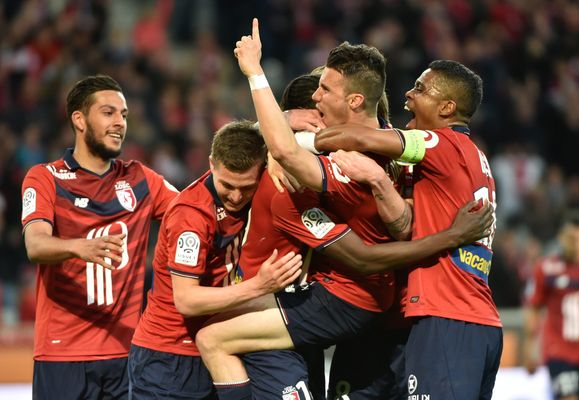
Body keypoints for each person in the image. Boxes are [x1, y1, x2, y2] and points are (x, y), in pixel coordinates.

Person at [194, 19, 494, 400]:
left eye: (325, 90)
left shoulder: (368, 163)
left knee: (213, 337)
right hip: (383, 313)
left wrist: (262, 87)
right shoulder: (370, 158)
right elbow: (395, 229)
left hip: (388, 311)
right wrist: (280, 136)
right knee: (216, 329)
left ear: (351, 101)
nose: (318, 98)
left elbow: (383, 241)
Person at [315, 59, 502, 399]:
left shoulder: (440, 144)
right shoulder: (468, 159)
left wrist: (305, 140)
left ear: (447, 107)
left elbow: (352, 136)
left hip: (446, 315)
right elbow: (406, 227)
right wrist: (378, 181)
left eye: (420, 88)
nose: (408, 94)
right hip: (470, 318)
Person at [21, 74, 179, 400]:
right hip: (62, 354)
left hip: (126, 353)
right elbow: (35, 245)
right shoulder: (45, 178)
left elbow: (190, 209)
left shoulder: (140, 179)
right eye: (108, 113)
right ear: (79, 119)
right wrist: (80, 247)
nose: (120, 123)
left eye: (124, 115)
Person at [128, 120, 305, 400]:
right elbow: (186, 301)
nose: (236, 196)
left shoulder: (252, 187)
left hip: (213, 347)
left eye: (246, 187)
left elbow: (260, 136)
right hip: (169, 357)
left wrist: (288, 117)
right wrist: (259, 286)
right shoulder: (192, 216)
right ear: (211, 164)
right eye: (227, 185)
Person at [523, 208, 579, 400]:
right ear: (561, 237)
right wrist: (529, 347)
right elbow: (533, 307)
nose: (577, 245)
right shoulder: (547, 268)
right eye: (572, 238)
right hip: (560, 352)